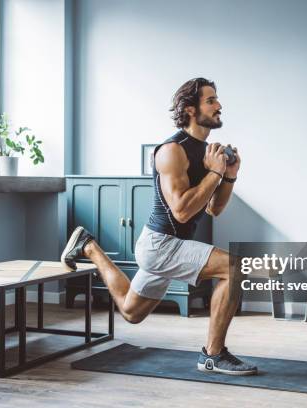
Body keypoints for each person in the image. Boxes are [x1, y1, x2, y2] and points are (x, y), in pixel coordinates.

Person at [61, 78, 257, 375]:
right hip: (163, 244)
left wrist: (228, 175)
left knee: (130, 311)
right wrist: (214, 173)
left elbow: (214, 209)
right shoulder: (171, 150)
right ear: (190, 109)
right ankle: (213, 355)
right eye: (211, 100)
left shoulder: (205, 152)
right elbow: (180, 211)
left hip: (164, 246)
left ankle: (88, 245)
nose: (219, 105)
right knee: (234, 268)